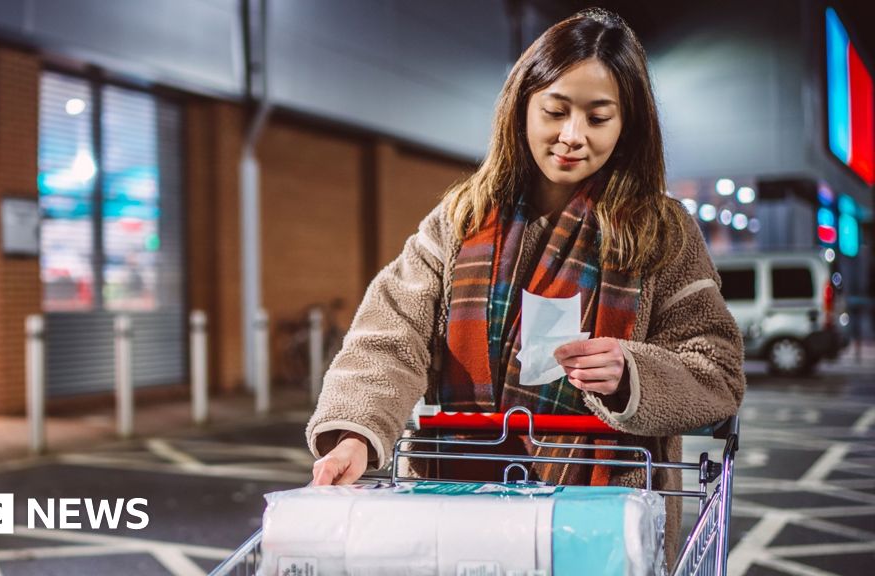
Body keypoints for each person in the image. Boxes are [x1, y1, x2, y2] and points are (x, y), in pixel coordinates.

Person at [305, 7, 745, 566]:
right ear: (522, 107)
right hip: (458, 509)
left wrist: (632, 373)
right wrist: (357, 435)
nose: (572, 136)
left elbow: (717, 369)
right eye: (555, 111)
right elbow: (389, 336)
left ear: (628, 124)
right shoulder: (462, 219)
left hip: (603, 522)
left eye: (598, 117)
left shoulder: (661, 233)